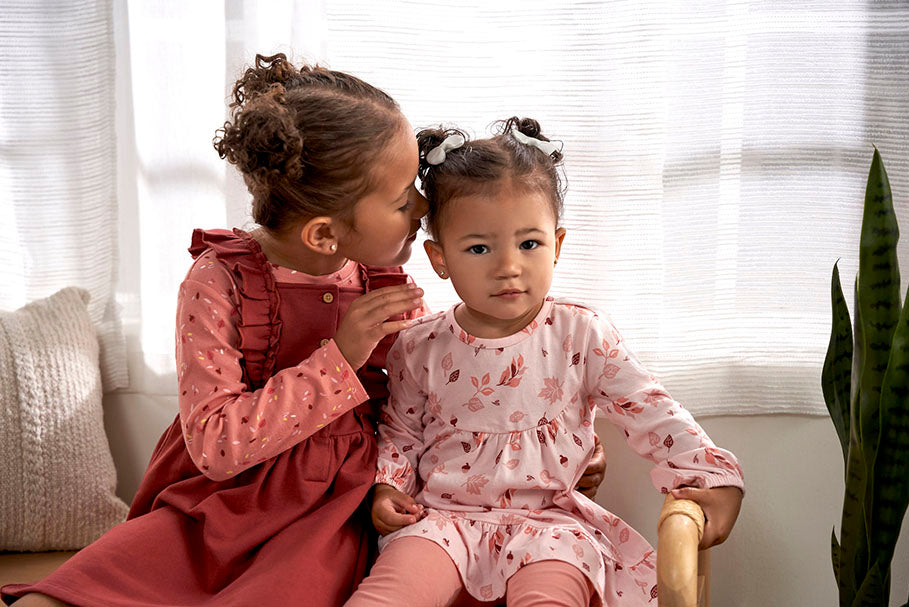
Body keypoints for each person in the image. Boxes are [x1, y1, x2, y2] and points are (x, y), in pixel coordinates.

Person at [1, 55, 605, 607]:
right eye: (401, 199)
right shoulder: (218, 281)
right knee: (63, 595)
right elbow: (214, 444)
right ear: (324, 234)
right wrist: (339, 356)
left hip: (333, 509)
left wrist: (553, 441)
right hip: (214, 507)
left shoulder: (381, 275)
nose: (422, 208)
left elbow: (439, 392)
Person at [344, 118, 745, 607]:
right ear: (439, 257)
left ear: (556, 245)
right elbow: (401, 434)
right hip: (441, 523)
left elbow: (652, 411)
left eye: (529, 243)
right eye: (479, 248)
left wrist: (713, 477)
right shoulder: (418, 344)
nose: (508, 265)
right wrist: (388, 489)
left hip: (551, 527)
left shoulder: (581, 334)